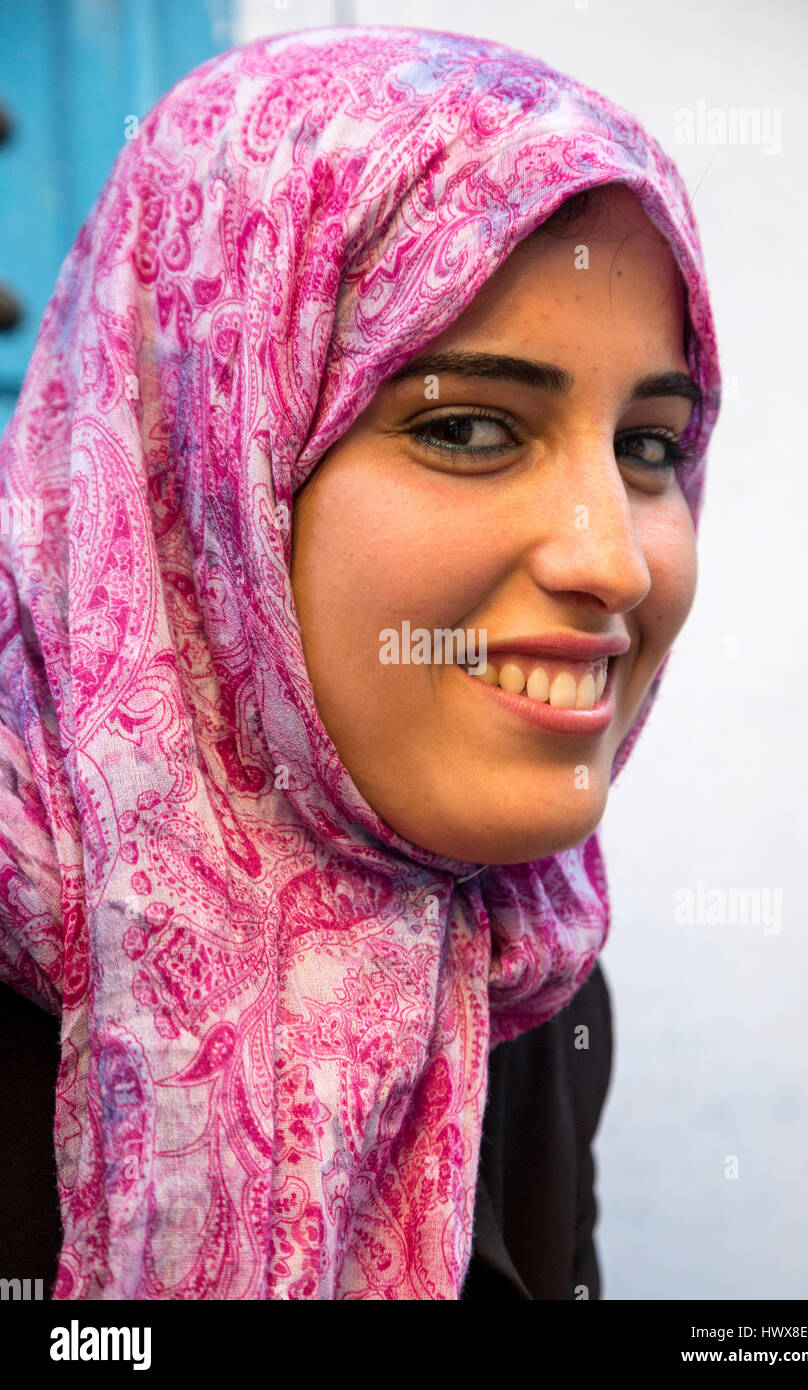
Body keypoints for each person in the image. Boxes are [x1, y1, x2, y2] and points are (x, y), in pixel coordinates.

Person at [0, 23, 721, 1300]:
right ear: (203, 475)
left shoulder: (526, 969)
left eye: (649, 446)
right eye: (467, 427)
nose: (612, 560)